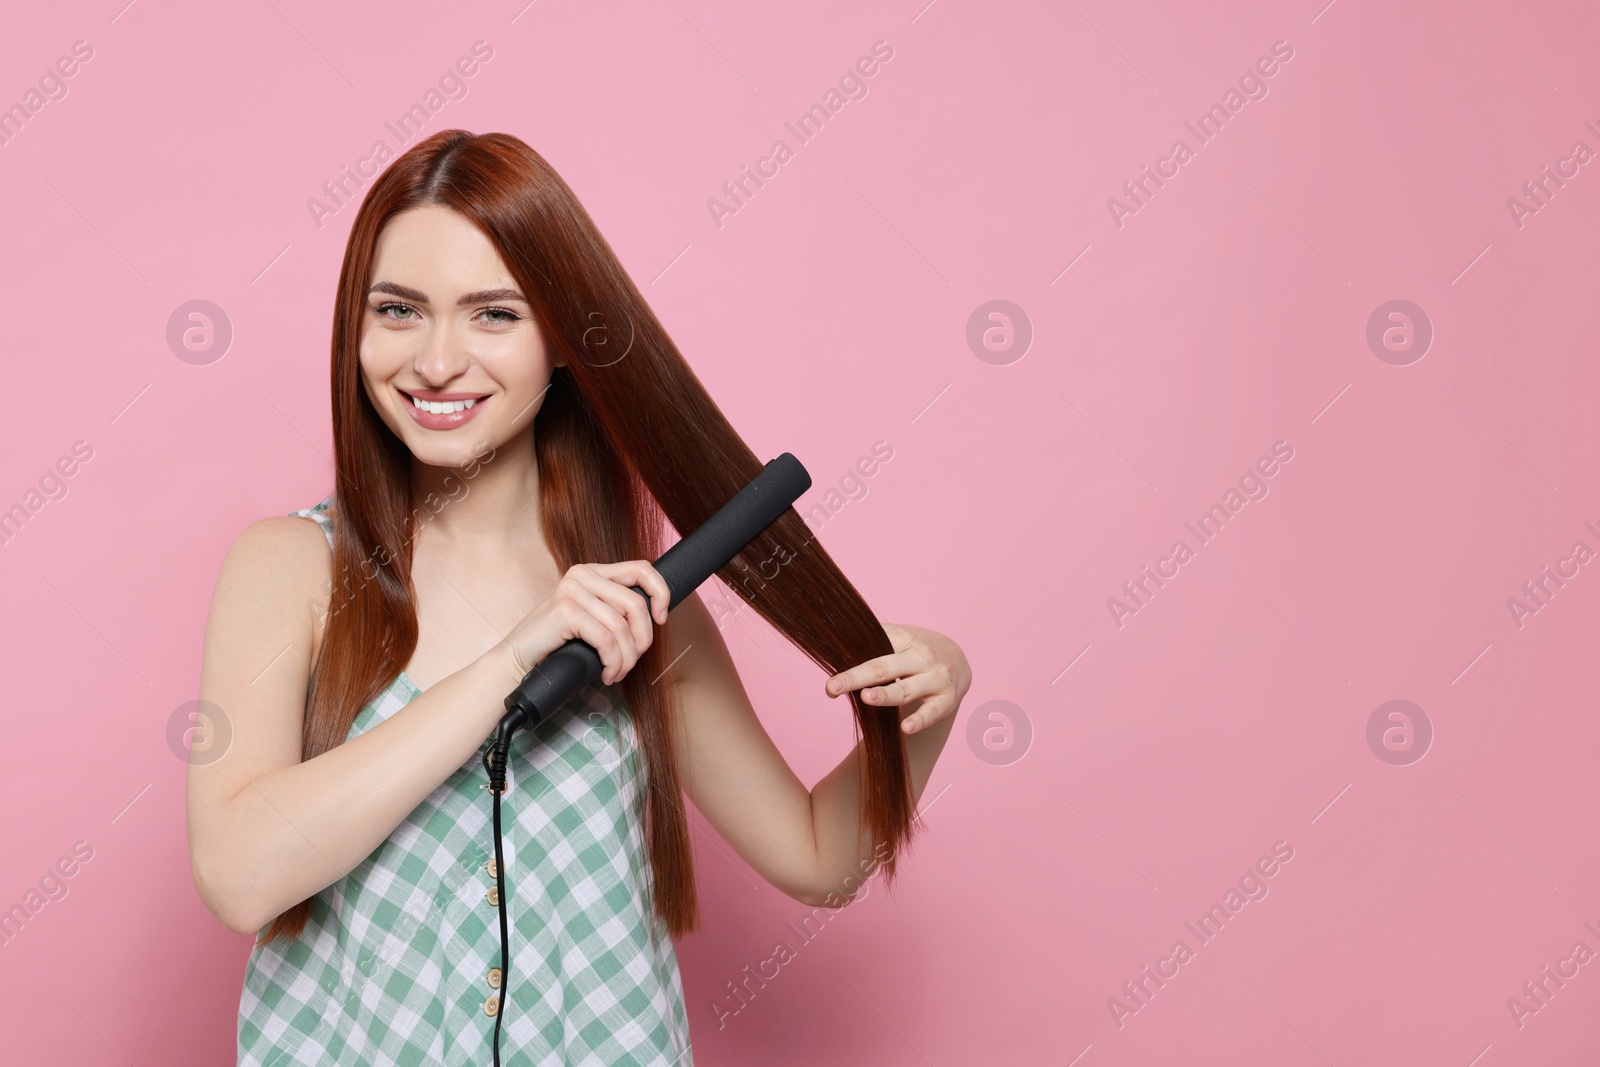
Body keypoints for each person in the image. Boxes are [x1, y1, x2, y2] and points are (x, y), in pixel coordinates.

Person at [185, 129, 971, 1066]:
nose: (436, 361)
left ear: (564, 339)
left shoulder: (641, 615)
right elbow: (240, 876)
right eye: (397, 310)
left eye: (494, 315)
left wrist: (922, 715)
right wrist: (510, 663)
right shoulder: (290, 569)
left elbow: (818, 861)